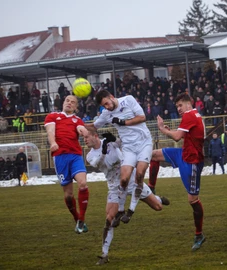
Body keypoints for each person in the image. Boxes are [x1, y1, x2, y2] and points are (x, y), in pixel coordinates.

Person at [84, 130, 169, 265]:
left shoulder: (110, 144)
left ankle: (158, 199)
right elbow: (99, 163)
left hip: (131, 179)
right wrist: (104, 152)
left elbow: (123, 142)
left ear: (95, 136)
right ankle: (104, 253)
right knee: (109, 219)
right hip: (114, 186)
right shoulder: (90, 155)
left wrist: (114, 139)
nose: (85, 140)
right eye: (83, 137)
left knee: (158, 207)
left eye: (87, 136)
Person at [148, 93, 206, 251]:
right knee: (153, 155)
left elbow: (177, 137)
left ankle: (199, 234)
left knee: (193, 200)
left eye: (180, 105)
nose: (179, 109)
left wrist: (163, 130)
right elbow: (183, 135)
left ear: (189, 103)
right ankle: (151, 188)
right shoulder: (193, 115)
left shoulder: (189, 115)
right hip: (183, 154)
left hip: (192, 162)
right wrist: (170, 130)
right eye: (177, 106)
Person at [86, 90, 153, 223]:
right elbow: (94, 126)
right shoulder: (106, 114)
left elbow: (142, 117)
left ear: (111, 97)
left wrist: (123, 122)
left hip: (144, 142)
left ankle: (131, 210)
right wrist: (76, 125)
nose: (107, 107)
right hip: (128, 147)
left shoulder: (128, 99)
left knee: (139, 175)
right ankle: (122, 211)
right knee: (124, 179)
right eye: (104, 106)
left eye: (107, 103)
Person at [44, 95, 90, 234]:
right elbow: (50, 131)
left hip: (75, 155)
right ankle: (76, 218)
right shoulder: (53, 116)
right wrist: (53, 143)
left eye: (73, 102)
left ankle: (81, 219)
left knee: (83, 184)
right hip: (60, 157)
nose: (69, 103)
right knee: (69, 195)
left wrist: (84, 132)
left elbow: (81, 128)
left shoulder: (77, 120)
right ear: (63, 103)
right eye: (67, 101)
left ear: (76, 107)